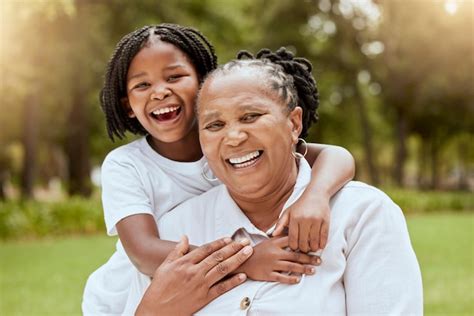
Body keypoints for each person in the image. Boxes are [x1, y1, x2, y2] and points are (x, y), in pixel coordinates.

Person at [82, 24, 356, 315]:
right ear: (127, 106)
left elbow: (334, 155)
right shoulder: (127, 164)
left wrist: (316, 195)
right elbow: (144, 251)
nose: (160, 91)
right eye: (142, 85)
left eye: (174, 76)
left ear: (203, 85)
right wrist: (248, 260)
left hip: (205, 284)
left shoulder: (231, 145)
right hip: (131, 295)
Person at [126, 48, 423, 315]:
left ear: (294, 124)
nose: (233, 137)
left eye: (250, 116)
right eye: (215, 125)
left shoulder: (360, 215)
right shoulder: (175, 232)